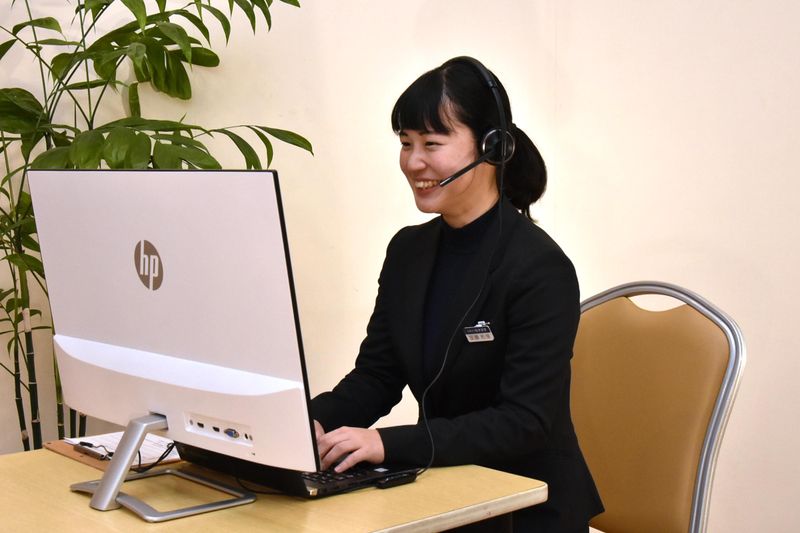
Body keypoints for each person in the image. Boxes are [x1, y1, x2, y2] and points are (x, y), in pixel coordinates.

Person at [311, 57, 603, 532]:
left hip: (527, 508)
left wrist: (387, 443)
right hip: (443, 491)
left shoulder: (540, 267)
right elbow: (378, 375)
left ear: (492, 147)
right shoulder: (408, 251)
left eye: (431, 143)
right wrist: (309, 423)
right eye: (405, 143)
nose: (413, 162)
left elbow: (525, 421)